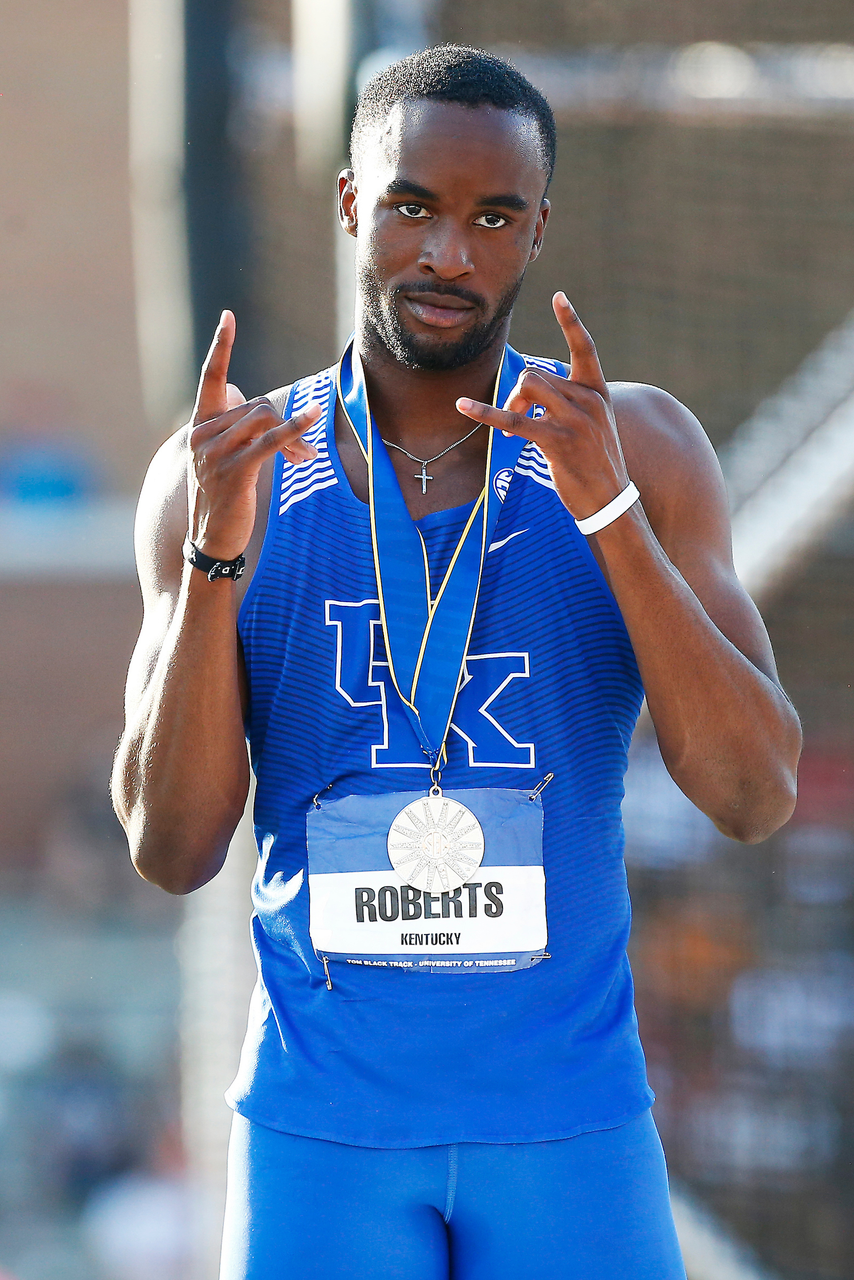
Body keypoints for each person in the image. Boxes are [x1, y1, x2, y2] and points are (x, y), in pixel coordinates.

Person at [112, 45, 801, 1280]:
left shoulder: (635, 443)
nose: (447, 254)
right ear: (347, 206)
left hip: (568, 1130)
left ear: (538, 234)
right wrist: (221, 561)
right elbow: (171, 849)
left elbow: (752, 794)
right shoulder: (225, 469)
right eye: (412, 206)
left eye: (492, 217)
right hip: (320, 1136)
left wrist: (608, 521)